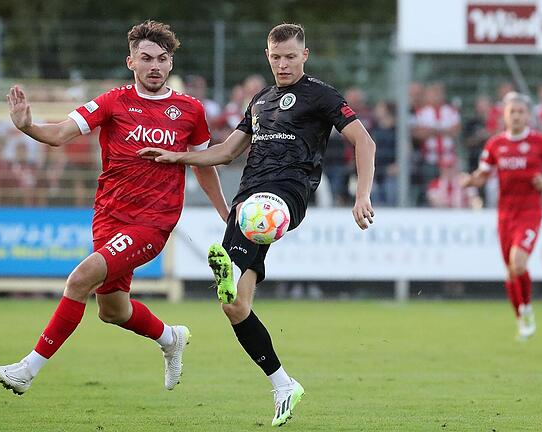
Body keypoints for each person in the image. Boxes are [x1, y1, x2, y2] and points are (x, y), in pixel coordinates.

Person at [138, 23, 376, 426]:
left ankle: (227, 266)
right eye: (275, 57)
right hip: (246, 198)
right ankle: (284, 384)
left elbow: (364, 142)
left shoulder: (322, 95)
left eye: (290, 56)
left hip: (288, 194)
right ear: (268, 56)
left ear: (304, 55)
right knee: (234, 306)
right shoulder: (261, 100)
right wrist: (176, 156)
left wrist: (362, 195)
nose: (282, 64)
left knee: (260, 214)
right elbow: (227, 151)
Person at [0, 20, 229, 396]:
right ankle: (170, 338)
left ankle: (27, 370)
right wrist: (28, 126)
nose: (155, 66)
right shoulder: (112, 101)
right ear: (130, 61)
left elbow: (204, 166)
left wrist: (226, 215)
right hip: (109, 217)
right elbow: (59, 135)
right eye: (146, 58)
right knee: (112, 310)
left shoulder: (190, 110)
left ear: (170, 64)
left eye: (163, 59)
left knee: (79, 279)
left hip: (153, 223)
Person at [461, 92, 542, 341]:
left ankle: (527, 308)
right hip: (505, 213)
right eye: (512, 112)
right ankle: (521, 320)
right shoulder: (496, 144)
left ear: (528, 115)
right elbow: (483, 173)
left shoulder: (541, 142)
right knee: (510, 271)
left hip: (530, 211)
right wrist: (470, 181)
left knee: (518, 262)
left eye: (521, 111)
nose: (517, 116)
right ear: (505, 116)